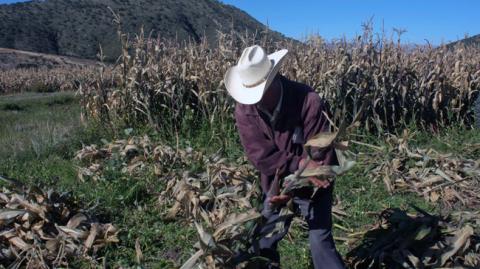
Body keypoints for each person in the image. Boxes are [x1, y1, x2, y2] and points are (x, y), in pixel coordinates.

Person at [224, 45, 345, 269]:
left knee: (320, 241)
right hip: (274, 182)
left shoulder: (308, 100)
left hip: (315, 183)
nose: (255, 101)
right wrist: (292, 175)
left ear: (274, 80)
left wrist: (300, 179)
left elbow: (319, 154)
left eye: (259, 93)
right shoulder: (245, 110)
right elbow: (260, 156)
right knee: (265, 240)